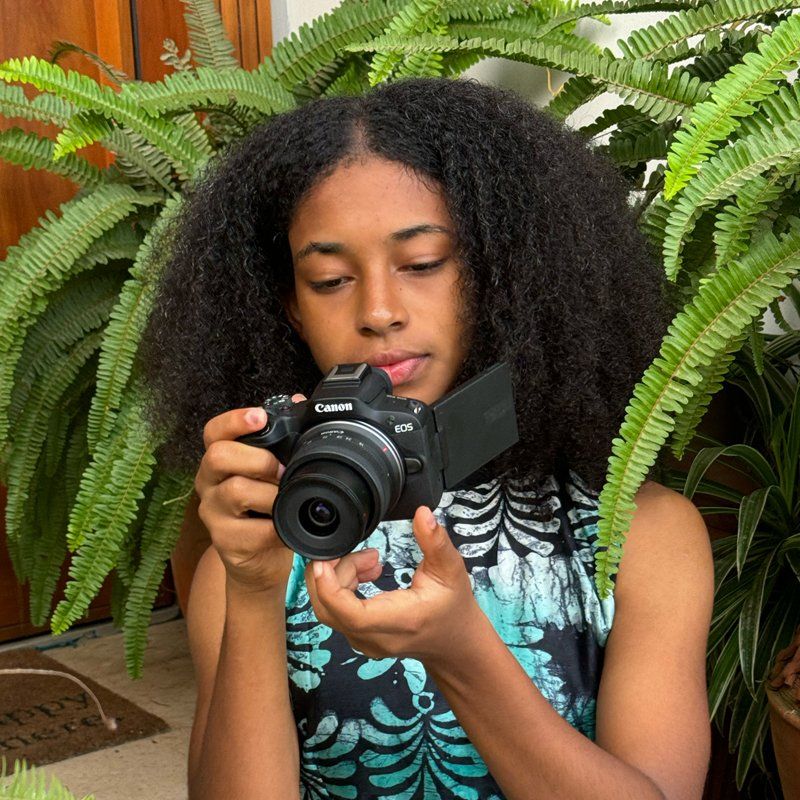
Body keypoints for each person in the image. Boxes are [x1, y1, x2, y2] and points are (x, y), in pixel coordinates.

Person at [139, 76, 714, 800]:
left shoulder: (640, 536)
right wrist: (252, 591)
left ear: (502, 274)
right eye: (329, 279)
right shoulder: (266, 541)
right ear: (287, 306)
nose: (380, 310)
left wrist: (462, 652)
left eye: (422, 264)